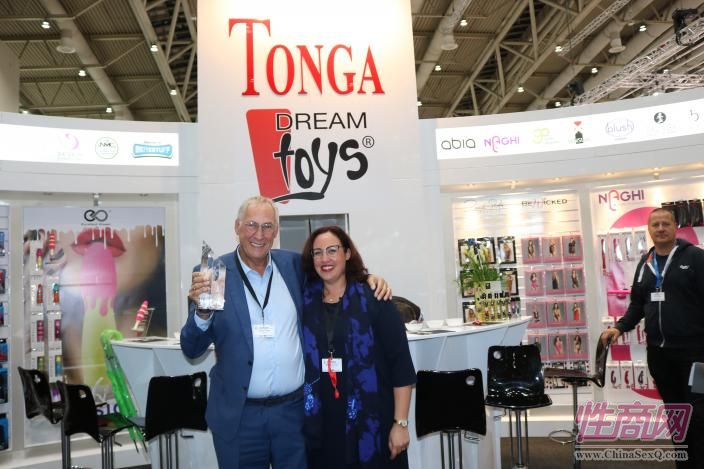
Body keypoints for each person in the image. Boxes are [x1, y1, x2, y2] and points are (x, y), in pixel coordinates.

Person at [180, 196, 391, 469]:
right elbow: (192, 348)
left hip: (293, 415)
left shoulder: (293, 266)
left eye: (267, 226)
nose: (259, 235)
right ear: (237, 226)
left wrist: (366, 280)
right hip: (239, 416)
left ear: (276, 231)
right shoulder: (213, 274)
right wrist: (202, 313)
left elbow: (332, 275)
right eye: (252, 225)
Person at [300, 226, 416, 469]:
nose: (325, 259)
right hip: (323, 425)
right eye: (318, 253)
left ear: (347, 253)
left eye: (332, 250)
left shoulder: (375, 298)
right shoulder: (304, 302)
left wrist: (401, 423)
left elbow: (400, 364)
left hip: (373, 422)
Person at [600, 208, 704, 469]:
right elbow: (637, 305)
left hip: (695, 354)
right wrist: (619, 328)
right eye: (655, 224)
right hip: (659, 355)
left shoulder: (695, 257)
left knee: (699, 414)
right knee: (676, 414)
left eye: (665, 223)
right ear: (649, 229)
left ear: (675, 226)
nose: (660, 228)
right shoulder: (645, 264)